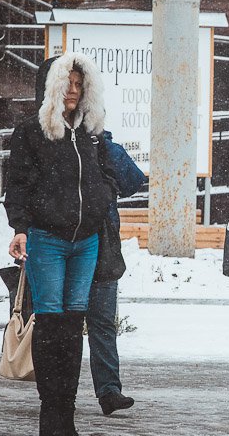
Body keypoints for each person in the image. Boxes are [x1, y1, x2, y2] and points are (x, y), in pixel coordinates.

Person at [5, 52, 115, 435]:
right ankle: (49, 414)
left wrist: (101, 199)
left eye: (79, 82)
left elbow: (107, 175)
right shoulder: (31, 132)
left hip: (85, 242)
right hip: (47, 240)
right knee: (50, 325)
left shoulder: (91, 132)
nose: (73, 89)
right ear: (52, 86)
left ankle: (65, 415)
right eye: (67, 81)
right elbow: (17, 185)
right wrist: (20, 227)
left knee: (73, 325)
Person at [87, 130, 146, 416]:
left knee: (97, 323)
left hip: (102, 247)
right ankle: (101, 390)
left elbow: (133, 181)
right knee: (97, 325)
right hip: (85, 245)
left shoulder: (106, 149)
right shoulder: (106, 148)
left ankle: (109, 390)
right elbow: (134, 181)